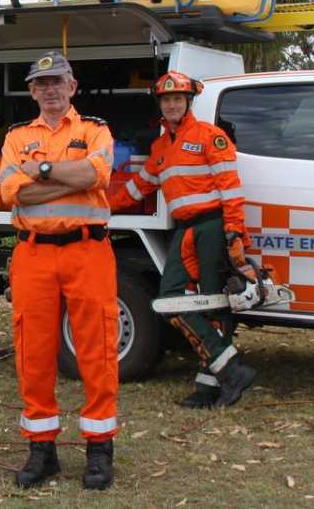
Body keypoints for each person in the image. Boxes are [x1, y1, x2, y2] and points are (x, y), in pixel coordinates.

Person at [0, 50, 119, 491]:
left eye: (58, 82)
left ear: (73, 87)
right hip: (33, 255)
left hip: (88, 252)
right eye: (41, 83)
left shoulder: (95, 129)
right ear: (32, 91)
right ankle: (41, 449)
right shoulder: (16, 137)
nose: (50, 90)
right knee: (33, 351)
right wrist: (68, 176)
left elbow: (96, 175)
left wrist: (42, 171)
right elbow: (12, 192)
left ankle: (100, 449)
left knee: (98, 348)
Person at [109, 70, 256, 409]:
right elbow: (139, 187)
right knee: (170, 298)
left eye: (178, 99)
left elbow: (231, 189)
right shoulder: (160, 148)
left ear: (188, 102)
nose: (173, 104)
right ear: (160, 105)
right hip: (185, 230)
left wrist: (234, 231)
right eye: (167, 99)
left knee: (215, 305)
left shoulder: (210, 136)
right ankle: (230, 369)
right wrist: (102, 206)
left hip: (212, 227)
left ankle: (210, 387)